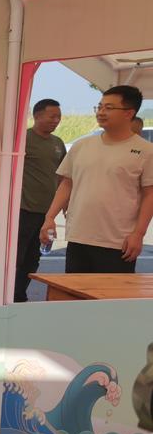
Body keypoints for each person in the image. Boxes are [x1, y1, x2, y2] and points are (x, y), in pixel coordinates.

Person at [41, 86, 153, 273]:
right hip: (78, 237)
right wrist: (50, 217)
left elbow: (150, 195)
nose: (101, 112)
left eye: (109, 108)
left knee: (110, 292)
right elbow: (67, 183)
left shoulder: (146, 151)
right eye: (99, 107)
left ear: (129, 113)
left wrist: (138, 234)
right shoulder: (81, 145)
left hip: (117, 242)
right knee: (75, 290)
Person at [11, 99, 65, 302]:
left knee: (34, 258)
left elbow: (63, 175)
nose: (56, 120)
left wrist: (64, 203)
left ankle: (20, 295)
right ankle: (8, 296)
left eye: (58, 117)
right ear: (37, 116)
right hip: (24, 210)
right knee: (17, 256)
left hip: (47, 213)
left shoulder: (57, 143)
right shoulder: (22, 140)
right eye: (52, 116)